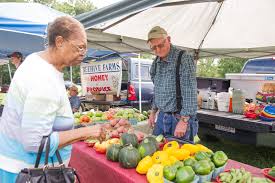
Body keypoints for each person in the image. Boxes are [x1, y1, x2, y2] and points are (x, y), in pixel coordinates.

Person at [0, 16, 104, 182]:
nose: (84, 53)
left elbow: (45, 120)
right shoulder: (43, 79)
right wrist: (86, 132)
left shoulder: (37, 61)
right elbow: (35, 143)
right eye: (80, 47)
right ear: (60, 41)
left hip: (16, 165)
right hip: (26, 173)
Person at [148, 26, 198, 143]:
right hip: (161, 118)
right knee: (157, 154)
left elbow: (190, 92)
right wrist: (153, 111)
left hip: (179, 118)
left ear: (169, 39)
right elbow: (157, 90)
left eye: (160, 45)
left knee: (179, 156)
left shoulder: (183, 59)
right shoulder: (156, 63)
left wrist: (184, 120)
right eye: (154, 48)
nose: (158, 50)